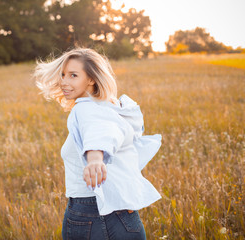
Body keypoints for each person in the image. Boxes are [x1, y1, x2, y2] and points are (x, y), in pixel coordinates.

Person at [32, 46, 162, 240]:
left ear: (91, 79)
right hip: (125, 218)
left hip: (91, 214)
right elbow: (107, 130)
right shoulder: (109, 108)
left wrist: (94, 158)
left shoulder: (86, 109)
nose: (64, 82)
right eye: (63, 75)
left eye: (73, 75)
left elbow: (100, 133)